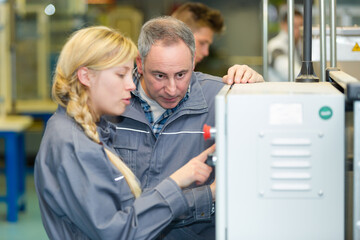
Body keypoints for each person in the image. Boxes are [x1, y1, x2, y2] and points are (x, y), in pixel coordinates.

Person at [34, 25, 217, 240]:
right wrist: (178, 184)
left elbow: (124, 214)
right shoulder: (76, 145)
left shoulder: (90, 131)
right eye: (121, 75)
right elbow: (119, 232)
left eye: (130, 75)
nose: (131, 85)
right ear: (86, 76)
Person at [109, 16, 264, 240]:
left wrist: (257, 90)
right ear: (140, 64)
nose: (172, 89)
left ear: (193, 62)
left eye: (181, 75)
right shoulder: (111, 103)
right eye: (160, 75)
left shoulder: (221, 98)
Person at [268, 9, 303, 81]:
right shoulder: (275, 46)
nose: (298, 30)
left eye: (301, 25)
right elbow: (288, 71)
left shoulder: (298, 44)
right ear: (283, 25)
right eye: (294, 25)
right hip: (278, 90)